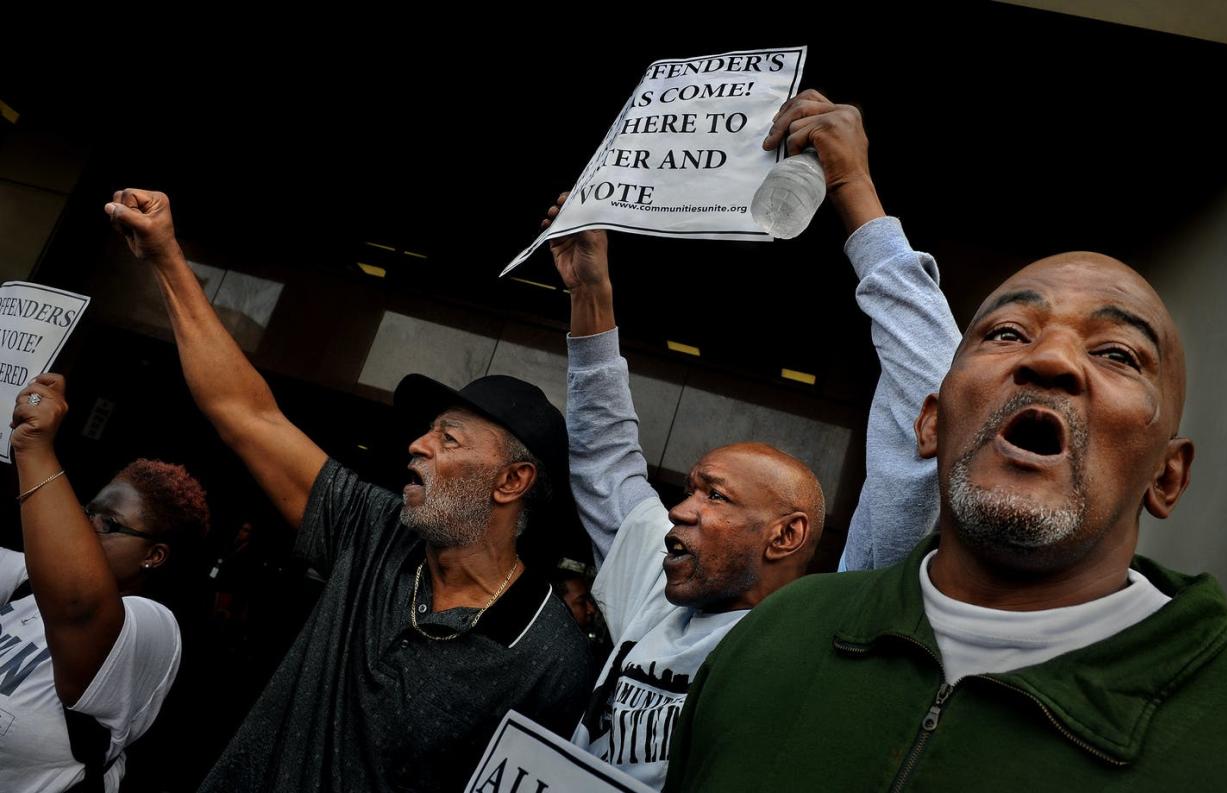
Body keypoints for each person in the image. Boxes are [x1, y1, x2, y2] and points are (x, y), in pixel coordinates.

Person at [663, 123, 1227, 792]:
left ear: (1168, 477)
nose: (1049, 359)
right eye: (1007, 332)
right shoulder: (776, 635)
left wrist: (856, 190)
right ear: (931, 423)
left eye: (1116, 353)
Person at [104, 191, 592, 793]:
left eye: (449, 438)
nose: (418, 445)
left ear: (512, 482)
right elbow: (245, 412)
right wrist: (166, 257)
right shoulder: (374, 529)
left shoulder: (551, 658)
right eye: (427, 432)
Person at [546, 90, 961, 788]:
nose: (680, 508)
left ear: (785, 534)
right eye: (689, 490)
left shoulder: (827, 635)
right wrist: (592, 293)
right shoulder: (658, 588)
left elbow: (937, 407)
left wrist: (856, 194)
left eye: (715, 496)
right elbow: (605, 455)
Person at [0, 373, 209, 793]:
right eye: (86, 512)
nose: (86, 526)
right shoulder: (28, 582)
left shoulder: (153, 627)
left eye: (109, 523)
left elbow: (79, 606)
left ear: (154, 555)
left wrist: (35, 451)